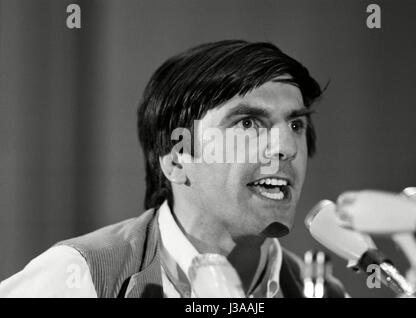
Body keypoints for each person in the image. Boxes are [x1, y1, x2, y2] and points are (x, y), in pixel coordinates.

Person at [0, 40, 346, 298]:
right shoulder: (81, 276)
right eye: (248, 123)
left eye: (296, 125)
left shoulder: (319, 290)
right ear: (177, 157)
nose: (285, 147)